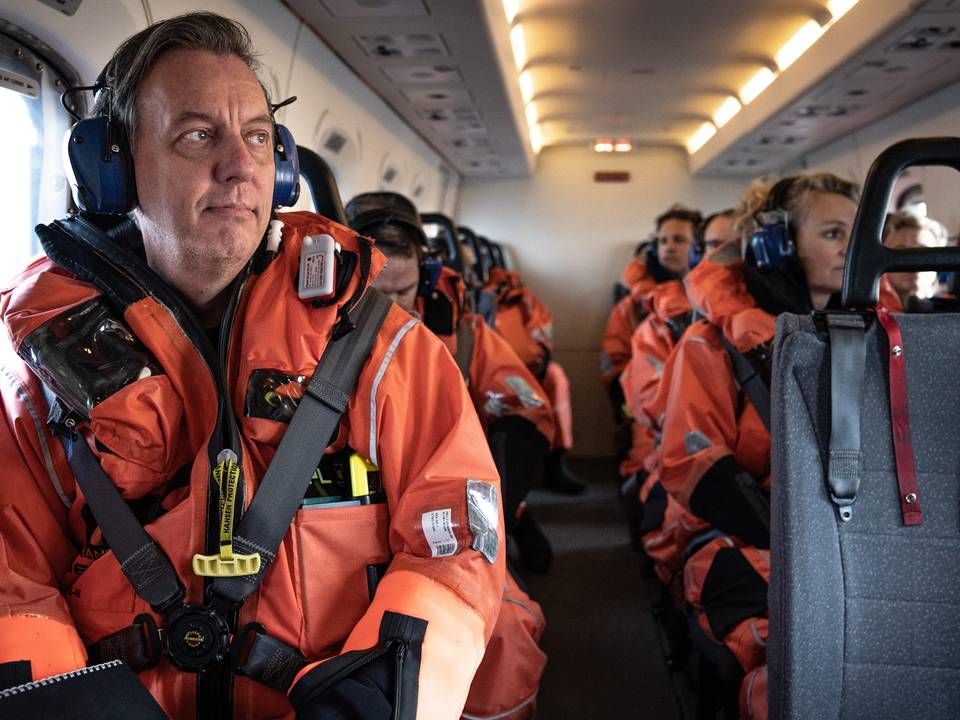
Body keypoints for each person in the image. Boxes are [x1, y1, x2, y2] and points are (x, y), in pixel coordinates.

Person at [0, 13, 504, 719]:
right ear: (109, 170)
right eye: (198, 135)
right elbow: (11, 585)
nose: (240, 165)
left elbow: (457, 547)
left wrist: (374, 701)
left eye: (259, 137)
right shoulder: (43, 382)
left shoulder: (384, 349)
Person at [657, 174, 900, 720]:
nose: (852, 248)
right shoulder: (708, 345)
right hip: (739, 537)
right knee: (795, 665)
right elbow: (698, 468)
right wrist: (807, 544)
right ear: (776, 244)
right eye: (834, 232)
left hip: (858, 537)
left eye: (860, 233)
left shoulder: (890, 336)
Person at [345, 191, 547, 719]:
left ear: (427, 275)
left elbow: (526, 412)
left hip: (454, 506)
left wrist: (497, 502)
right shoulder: (308, 345)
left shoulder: (465, 339)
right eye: (374, 294)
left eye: (403, 292)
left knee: (507, 631)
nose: (389, 310)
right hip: (352, 525)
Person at [600, 205, 702, 464]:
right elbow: (613, 358)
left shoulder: (709, 303)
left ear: (698, 247)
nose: (669, 247)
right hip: (647, 407)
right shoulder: (633, 304)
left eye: (679, 240)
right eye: (663, 241)